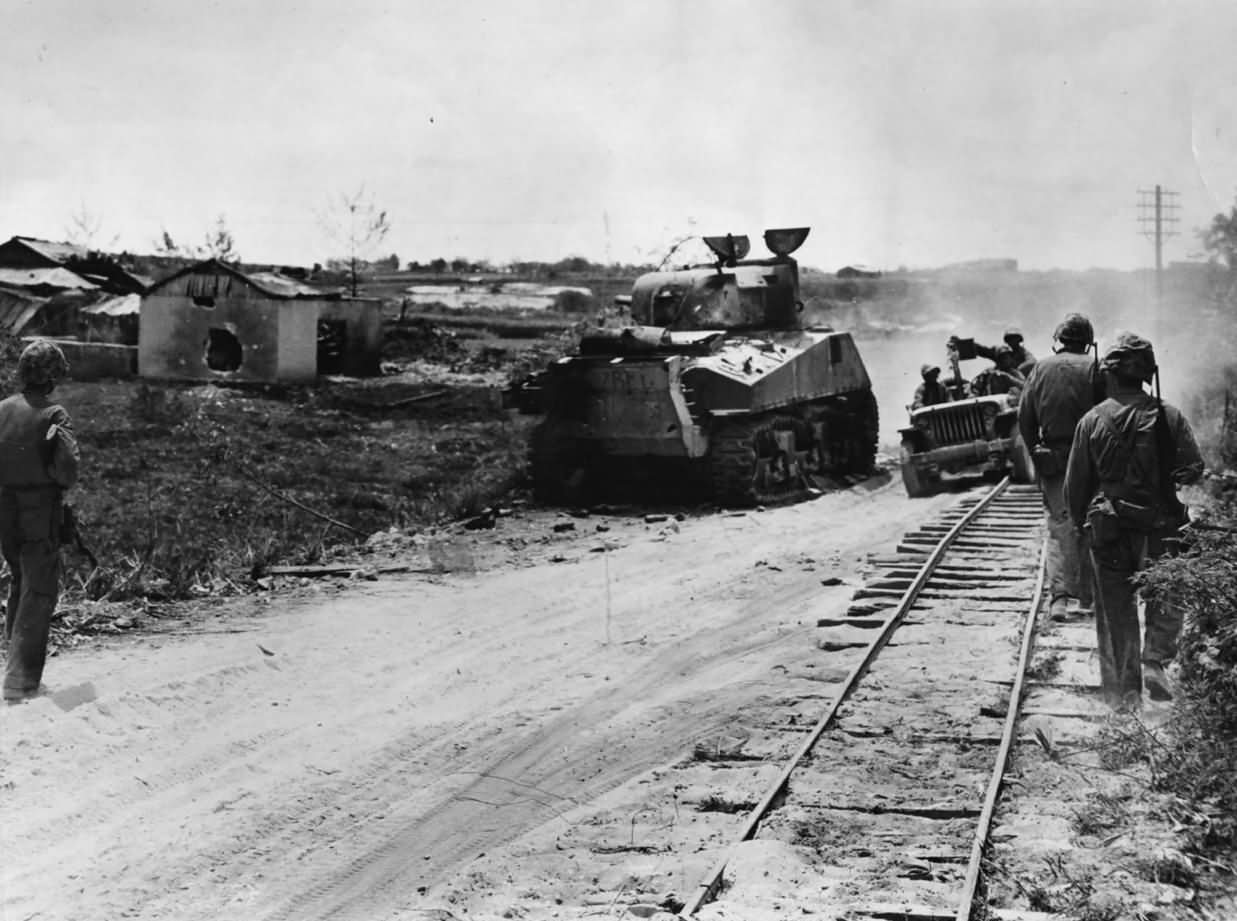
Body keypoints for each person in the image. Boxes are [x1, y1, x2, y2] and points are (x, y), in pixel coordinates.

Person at [1064, 332, 1203, 710]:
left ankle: (1124, 699)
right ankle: (1155, 659)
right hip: (1161, 526)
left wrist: (1082, 526)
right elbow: (1193, 469)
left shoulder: (1091, 421)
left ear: (1109, 374)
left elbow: (1074, 487)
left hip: (1109, 529)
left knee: (1115, 613)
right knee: (1167, 592)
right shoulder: (1169, 415)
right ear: (1148, 373)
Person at [1, 340, 78, 703]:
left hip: (4, 509)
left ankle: (11, 664)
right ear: (50, 378)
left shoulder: (1, 409)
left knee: (20, 581)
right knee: (40, 589)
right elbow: (67, 470)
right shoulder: (55, 415)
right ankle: (21, 680)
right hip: (38, 510)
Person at [1018, 312, 1103, 622]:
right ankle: (1089, 598)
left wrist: (1036, 455)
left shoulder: (1040, 368)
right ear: (1087, 342)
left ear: (1060, 341)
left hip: (1053, 457)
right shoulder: (1097, 368)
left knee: (1059, 527)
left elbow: (1025, 419)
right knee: (1092, 525)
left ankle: (1059, 600)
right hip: (1092, 458)